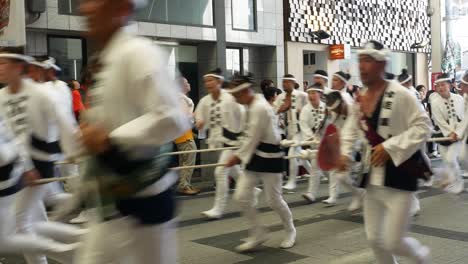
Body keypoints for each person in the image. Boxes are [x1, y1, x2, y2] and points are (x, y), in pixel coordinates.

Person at [74, 0, 191, 263]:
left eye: (95, 2)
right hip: (110, 199)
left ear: (121, 9)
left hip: (144, 197)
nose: (85, 9)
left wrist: (111, 138)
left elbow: (172, 118)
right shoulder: (105, 60)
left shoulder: (139, 53)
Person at [339, 40, 432, 264]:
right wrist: (344, 153)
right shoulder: (359, 98)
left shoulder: (401, 94)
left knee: (393, 242)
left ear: (382, 64)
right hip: (372, 179)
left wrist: (390, 147)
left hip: (401, 177)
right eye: (360, 60)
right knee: (374, 239)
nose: (362, 66)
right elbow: (350, 129)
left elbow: (424, 126)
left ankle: (421, 257)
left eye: (368, 60)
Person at [0, 49, 80, 264]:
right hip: (18, 165)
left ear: (19, 66)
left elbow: (65, 122)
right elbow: (9, 133)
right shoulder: (2, 96)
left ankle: (75, 249)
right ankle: (72, 249)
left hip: (39, 162)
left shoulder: (43, 92)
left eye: (3, 63)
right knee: (31, 220)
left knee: (19, 224)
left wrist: (74, 152)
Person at [225, 75, 296, 252]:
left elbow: (253, 137)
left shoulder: (260, 107)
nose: (234, 99)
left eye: (236, 95)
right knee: (241, 196)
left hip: (271, 156)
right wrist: (239, 152)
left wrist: (237, 156)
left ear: (245, 91)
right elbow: (247, 135)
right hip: (255, 155)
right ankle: (258, 234)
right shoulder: (248, 105)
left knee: (274, 200)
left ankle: (290, 230)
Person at [195, 68, 247, 219]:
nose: (207, 83)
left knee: (221, 171)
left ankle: (218, 208)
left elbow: (243, 114)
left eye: (211, 80)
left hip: (233, 139)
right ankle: (251, 190)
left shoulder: (230, 97)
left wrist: (244, 135)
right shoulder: (205, 100)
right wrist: (199, 121)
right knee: (234, 170)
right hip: (217, 140)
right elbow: (199, 115)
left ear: (219, 81)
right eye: (206, 81)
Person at [274, 74, 312, 190]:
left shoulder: (302, 95)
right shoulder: (281, 97)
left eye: (286, 82)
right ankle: (316, 173)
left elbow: (312, 108)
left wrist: (302, 112)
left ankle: (292, 181)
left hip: (300, 129)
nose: (284, 84)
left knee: (292, 153)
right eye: (283, 82)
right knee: (299, 154)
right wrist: (281, 109)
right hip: (288, 129)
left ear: (292, 83)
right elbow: (274, 111)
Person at [431, 73, 465, 193]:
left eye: (443, 85)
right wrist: (450, 133)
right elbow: (440, 121)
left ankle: (458, 183)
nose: (441, 88)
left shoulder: (459, 99)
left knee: (451, 159)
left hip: (458, 135)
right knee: (447, 161)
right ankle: (452, 180)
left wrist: (458, 132)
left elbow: (464, 117)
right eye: (438, 85)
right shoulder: (434, 102)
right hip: (443, 135)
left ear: (449, 85)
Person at [299, 83, 327, 203]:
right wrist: (311, 138)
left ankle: (353, 189)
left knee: (327, 169)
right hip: (315, 142)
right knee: (318, 167)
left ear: (320, 94)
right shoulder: (306, 110)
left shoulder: (326, 107)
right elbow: (304, 125)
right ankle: (311, 194)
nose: (311, 95)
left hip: (327, 142)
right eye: (309, 93)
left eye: (313, 93)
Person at [175, 77, 200, 196]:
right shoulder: (181, 99)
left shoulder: (179, 98)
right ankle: (184, 186)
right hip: (184, 135)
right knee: (188, 162)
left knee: (185, 162)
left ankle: (185, 184)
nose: (189, 84)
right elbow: (185, 117)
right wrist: (195, 115)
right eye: (186, 82)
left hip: (184, 134)